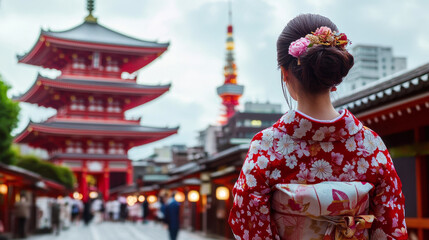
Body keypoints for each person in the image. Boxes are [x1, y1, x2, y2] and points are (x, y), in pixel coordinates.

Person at [228, 14, 408, 240]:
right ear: (333, 75)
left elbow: (248, 228)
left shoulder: (267, 147)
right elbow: (392, 228)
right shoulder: (371, 146)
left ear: (285, 74)